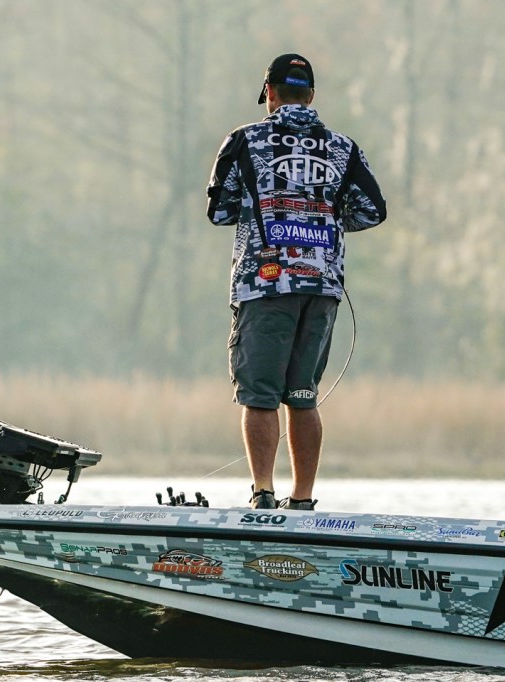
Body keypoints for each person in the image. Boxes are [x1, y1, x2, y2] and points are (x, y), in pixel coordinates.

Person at [205, 53, 386, 510]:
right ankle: (302, 499)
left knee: (260, 395)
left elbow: (219, 210)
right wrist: (324, 219)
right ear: (311, 95)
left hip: (264, 284)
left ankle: (263, 494)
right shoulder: (343, 147)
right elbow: (372, 211)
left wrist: (269, 208)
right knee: (303, 396)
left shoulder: (244, 140)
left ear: (269, 93)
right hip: (322, 287)